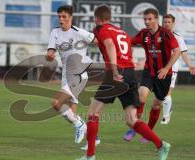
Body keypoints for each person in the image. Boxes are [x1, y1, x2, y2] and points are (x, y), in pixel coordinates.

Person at [77, 5, 171, 160]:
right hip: (130, 73)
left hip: (117, 73)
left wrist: (114, 71)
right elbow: (118, 48)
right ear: (110, 18)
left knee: (93, 114)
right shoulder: (121, 32)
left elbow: (110, 46)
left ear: (96, 19)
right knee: (131, 119)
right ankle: (161, 145)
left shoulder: (101, 29)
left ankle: (90, 157)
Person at [123, 8, 181, 143]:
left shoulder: (166, 34)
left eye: (149, 19)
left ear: (156, 19)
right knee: (141, 96)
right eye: (145, 19)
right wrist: (127, 56)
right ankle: (134, 127)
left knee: (156, 105)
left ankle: (148, 131)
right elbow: (128, 42)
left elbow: (177, 52)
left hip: (164, 75)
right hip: (149, 72)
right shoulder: (143, 34)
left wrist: (166, 68)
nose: (147, 22)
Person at [45, 5, 100, 145]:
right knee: (71, 112)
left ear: (70, 17)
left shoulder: (79, 32)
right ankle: (93, 139)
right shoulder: (55, 32)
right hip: (66, 76)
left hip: (79, 75)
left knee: (56, 103)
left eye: (64, 17)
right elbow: (50, 53)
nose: (61, 19)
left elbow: (99, 42)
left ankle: (80, 125)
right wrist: (49, 56)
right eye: (59, 17)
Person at [161, 14, 195, 124]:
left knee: (167, 93)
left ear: (173, 23)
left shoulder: (178, 38)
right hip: (158, 69)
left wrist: (190, 66)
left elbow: (183, 53)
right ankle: (168, 109)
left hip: (172, 69)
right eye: (165, 21)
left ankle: (165, 117)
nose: (166, 24)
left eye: (169, 22)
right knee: (160, 95)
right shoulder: (158, 37)